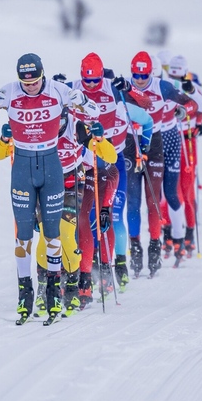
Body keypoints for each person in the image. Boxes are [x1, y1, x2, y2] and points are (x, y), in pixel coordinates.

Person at [0, 53, 99, 324]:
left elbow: (94, 112)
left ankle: (53, 291)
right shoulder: (9, 91)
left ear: (43, 75)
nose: (29, 86)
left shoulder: (58, 90)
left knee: (53, 235)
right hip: (23, 168)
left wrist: (82, 100)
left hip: (52, 166)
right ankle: (24, 293)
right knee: (24, 236)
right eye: (24, 82)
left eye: (35, 81)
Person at [68, 52, 152, 292]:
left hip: (113, 164)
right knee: (82, 219)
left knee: (111, 217)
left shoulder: (114, 91)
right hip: (84, 163)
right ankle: (84, 268)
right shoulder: (73, 88)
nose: (92, 86)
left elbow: (147, 106)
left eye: (96, 81)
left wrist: (129, 89)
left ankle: (113, 267)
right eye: (87, 81)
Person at [123, 51, 202, 277]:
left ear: (151, 72)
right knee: (133, 200)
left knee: (154, 200)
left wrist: (181, 110)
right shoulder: (125, 86)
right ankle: (136, 249)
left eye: (144, 75)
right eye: (135, 75)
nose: (139, 79)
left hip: (155, 143)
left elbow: (192, 104)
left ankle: (156, 247)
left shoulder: (162, 86)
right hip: (131, 144)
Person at [166, 55, 202, 259]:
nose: (175, 79)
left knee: (186, 190)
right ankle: (169, 233)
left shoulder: (194, 89)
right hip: (170, 139)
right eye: (172, 74)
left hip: (188, 143)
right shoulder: (166, 87)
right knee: (169, 190)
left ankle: (189, 233)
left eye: (179, 75)